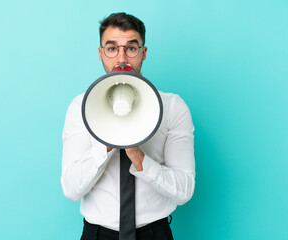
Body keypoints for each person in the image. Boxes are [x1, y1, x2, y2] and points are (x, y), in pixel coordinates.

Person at [61, 12, 195, 240]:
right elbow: (71, 189)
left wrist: (138, 157)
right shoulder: (80, 107)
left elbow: (184, 191)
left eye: (131, 48)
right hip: (98, 235)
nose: (121, 59)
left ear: (143, 53)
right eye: (112, 48)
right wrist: (106, 142)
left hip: (155, 234)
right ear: (100, 54)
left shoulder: (173, 107)